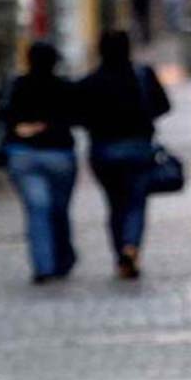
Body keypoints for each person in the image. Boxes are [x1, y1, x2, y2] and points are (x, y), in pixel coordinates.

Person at [77, 31, 171, 279]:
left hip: (103, 151)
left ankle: (120, 253)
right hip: (138, 148)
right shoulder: (142, 75)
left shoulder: (90, 81)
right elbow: (163, 105)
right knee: (136, 203)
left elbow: (78, 116)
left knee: (114, 204)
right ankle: (131, 245)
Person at [0, 42, 78, 284]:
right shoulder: (64, 87)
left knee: (37, 210)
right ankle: (62, 258)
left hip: (23, 156)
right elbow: (77, 116)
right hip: (59, 155)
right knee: (58, 210)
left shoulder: (15, 86)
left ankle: (44, 265)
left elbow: (3, 116)